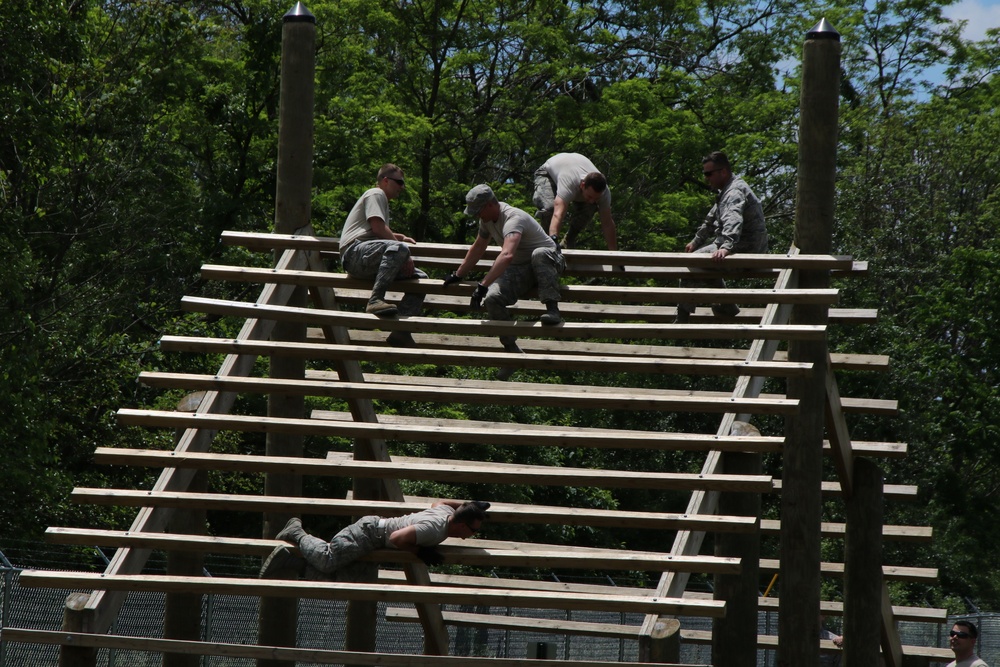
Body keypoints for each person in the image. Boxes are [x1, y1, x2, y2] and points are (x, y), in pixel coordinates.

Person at [444, 185, 566, 378]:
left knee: (539, 253)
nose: (477, 216)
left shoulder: (513, 218)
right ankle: (511, 351)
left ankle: (552, 309)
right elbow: (479, 247)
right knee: (492, 299)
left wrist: (482, 285)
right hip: (522, 268)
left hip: (549, 262)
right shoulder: (486, 220)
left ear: (491, 204)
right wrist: (459, 274)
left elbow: (507, 255)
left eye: (479, 211)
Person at [260, 500, 489, 581]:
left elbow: (438, 502)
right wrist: (420, 552)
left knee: (350, 579)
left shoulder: (446, 513)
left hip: (373, 535)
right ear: (460, 525)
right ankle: (297, 532)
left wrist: (470, 505)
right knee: (328, 560)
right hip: (368, 534)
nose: (474, 534)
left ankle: (291, 563)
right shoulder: (434, 529)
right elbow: (396, 537)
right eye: (473, 529)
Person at [338, 163, 425, 346]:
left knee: (420, 279)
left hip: (368, 257)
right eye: (399, 182)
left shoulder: (382, 201)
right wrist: (402, 250)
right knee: (400, 249)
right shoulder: (375, 193)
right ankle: (376, 299)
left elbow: (375, 229)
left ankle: (401, 331)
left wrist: (397, 237)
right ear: (385, 181)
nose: (403, 187)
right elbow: (377, 228)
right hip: (355, 254)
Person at [676, 150, 768, 322]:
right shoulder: (727, 190)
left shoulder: (734, 193)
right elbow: (711, 219)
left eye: (708, 173)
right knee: (700, 261)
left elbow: (734, 219)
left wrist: (726, 246)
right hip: (743, 245)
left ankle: (683, 316)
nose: (706, 178)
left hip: (747, 249)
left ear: (723, 172)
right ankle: (726, 305)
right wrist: (696, 241)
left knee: (692, 262)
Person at [532, 152, 618, 251]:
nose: (591, 200)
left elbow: (607, 223)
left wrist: (614, 254)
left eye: (596, 198)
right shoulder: (569, 183)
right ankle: (547, 244)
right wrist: (553, 242)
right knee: (550, 208)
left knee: (591, 208)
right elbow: (558, 214)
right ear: (582, 185)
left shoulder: (605, 193)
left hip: (572, 167)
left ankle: (568, 241)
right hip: (548, 173)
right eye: (590, 196)